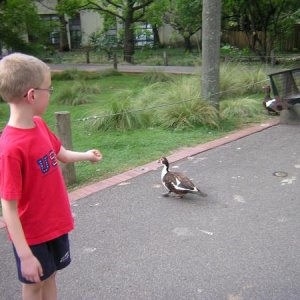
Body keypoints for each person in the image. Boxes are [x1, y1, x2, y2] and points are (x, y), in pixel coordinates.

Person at [0, 53, 102, 300]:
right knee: (34, 285)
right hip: (32, 235)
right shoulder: (11, 148)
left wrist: (87, 155)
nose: (51, 93)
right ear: (32, 95)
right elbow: (8, 208)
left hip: (54, 226)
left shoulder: (39, 125)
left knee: (51, 274)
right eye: (49, 89)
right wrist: (25, 255)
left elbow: (62, 154)